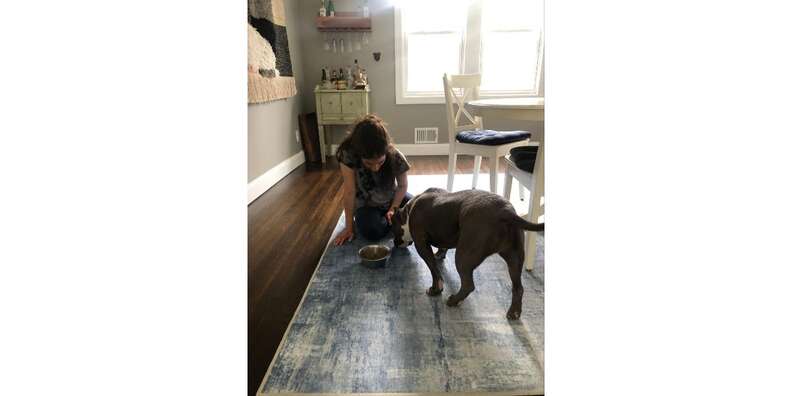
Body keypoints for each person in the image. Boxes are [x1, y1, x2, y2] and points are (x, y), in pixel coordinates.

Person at [334, 114, 411, 245]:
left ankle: (393, 221)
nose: (375, 168)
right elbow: (349, 192)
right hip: (367, 206)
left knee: (421, 209)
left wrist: (393, 209)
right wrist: (348, 227)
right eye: (369, 163)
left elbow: (402, 186)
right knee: (372, 231)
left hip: (393, 199)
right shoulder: (347, 155)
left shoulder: (395, 156)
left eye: (380, 162)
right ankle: (396, 224)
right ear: (359, 154)